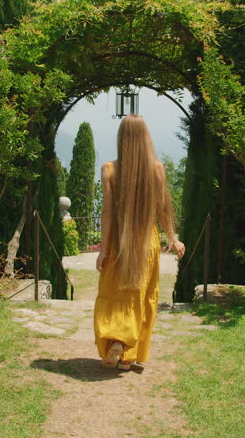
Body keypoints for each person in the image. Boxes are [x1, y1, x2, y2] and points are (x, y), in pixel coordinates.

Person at [94, 114, 186, 371]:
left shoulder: (108, 169)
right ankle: (128, 352)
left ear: (121, 137)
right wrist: (172, 237)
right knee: (141, 297)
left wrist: (103, 251)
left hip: (117, 245)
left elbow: (107, 212)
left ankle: (117, 343)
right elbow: (163, 209)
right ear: (146, 136)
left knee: (113, 295)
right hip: (147, 243)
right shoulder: (157, 168)